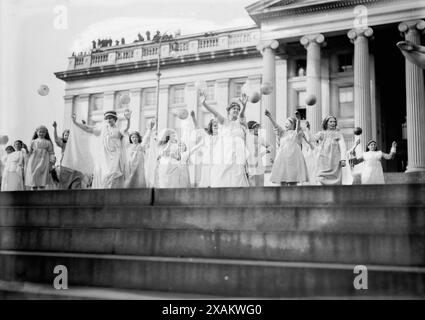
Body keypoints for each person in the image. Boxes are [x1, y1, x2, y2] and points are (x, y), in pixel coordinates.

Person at [71, 110, 131, 189]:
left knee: (113, 174)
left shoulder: (118, 130)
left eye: (111, 118)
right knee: (104, 176)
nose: (109, 120)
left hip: (115, 155)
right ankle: (106, 193)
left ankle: (112, 193)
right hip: (104, 157)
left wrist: (128, 119)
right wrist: (75, 122)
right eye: (107, 118)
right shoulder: (102, 129)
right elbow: (87, 128)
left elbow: (126, 129)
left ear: (115, 119)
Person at [200, 91, 250, 187]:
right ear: (229, 111)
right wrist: (204, 103)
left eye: (237, 109)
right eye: (234, 108)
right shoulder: (224, 121)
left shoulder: (241, 122)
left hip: (238, 154)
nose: (236, 110)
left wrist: (244, 106)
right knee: (222, 173)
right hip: (225, 153)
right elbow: (214, 112)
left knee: (237, 174)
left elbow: (242, 115)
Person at [266, 111, 308, 186]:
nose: (285, 124)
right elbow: (276, 126)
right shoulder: (282, 133)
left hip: (293, 159)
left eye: (288, 123)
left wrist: (298, 119)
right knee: (283, 179)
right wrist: (270, 116)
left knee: (293, 180)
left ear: (293, 124)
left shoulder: (296, 133)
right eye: (285, 123)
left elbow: (297, 129)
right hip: (283, 158)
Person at [314, 116, 351, 185]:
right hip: (323, 159)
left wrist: (343, 159)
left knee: (335, 180)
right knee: (320, 177)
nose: (333, 123)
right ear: (326, 123)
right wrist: (307, 129)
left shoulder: (338, 134)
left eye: (334, 122)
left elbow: (343, 147)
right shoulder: (322, 133)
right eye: (330, 121)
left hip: (335, 160)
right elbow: (312, 139)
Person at [52, 121, 84, 189]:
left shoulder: (75, 144)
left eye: (69, 135)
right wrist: (55, 128)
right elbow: (56, 139)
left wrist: (82, 126)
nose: (67, 136)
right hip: (65, 168)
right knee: (64, 185)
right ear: (63, 136)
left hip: (74, 167)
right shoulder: (63, 144)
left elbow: (81, 137)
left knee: (76, 184)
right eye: (65, 135)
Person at [124, 120, 155, 188]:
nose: (134, 139)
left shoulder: (141, 145)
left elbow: (146, 138)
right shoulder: (128, 147)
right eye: (132, 137)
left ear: (138, 138)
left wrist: (149, 129)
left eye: (136, 137)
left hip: (139, 166)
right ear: (130, 138)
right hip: (130, 166)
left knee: (139, 178)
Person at [25, 126, 56, 190]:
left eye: (43, 132)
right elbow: (29, 152)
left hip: (44, 161)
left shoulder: (48, 142)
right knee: (33, 177)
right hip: (33, 161)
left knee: (42, 178)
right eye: (40, 132)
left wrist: (52, 161)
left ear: (46, 133)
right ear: (37, 132)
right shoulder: (33, 141)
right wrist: (26, 149)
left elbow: (51, 152)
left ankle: (42, 192)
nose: (41, 133)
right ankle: (33, 190)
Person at [246, 121, 272, 187]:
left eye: (257, 128)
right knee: (251, 185)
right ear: (250, 128)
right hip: (249, 164)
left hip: (259, 165)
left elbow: (270, 146)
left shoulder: (260, 138)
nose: (257, 129)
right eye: (255, 127)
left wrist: (263, 153)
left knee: (260, 185)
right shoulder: (246, 138)